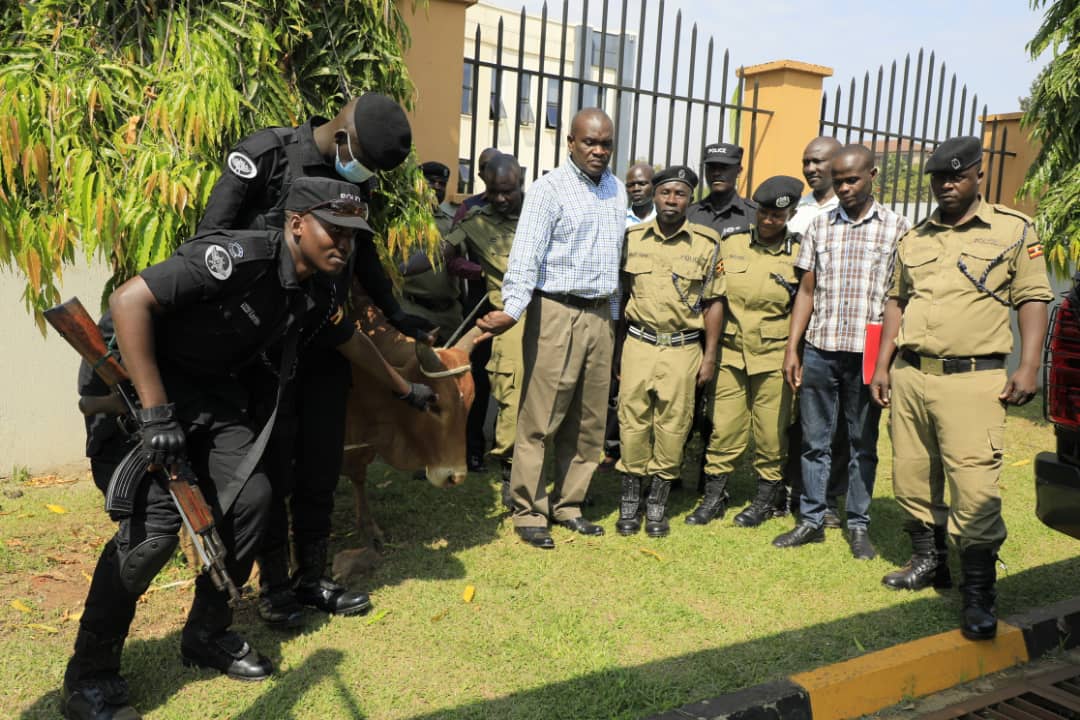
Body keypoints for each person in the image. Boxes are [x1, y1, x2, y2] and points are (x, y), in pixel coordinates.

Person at [60, 178, 435, 720]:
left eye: (353, 238)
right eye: (335, 231)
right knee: (153, 534)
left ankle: (207, 633)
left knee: (254, 502)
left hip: (215, 399)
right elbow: (129, 301)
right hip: (139, 389)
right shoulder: (235, 256)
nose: (344, 245)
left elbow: (348, 338)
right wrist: (157, 411)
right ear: (297, 224)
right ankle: (89, 677)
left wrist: (404, 389)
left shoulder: (318, 288)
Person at [195, 93, 430, 627]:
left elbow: (361, 252)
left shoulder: (358, 173)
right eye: (361, 160)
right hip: (267, 348)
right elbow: (211, 239)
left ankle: (312, 579)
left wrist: (394, 311)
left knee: (321, 464)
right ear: (343, 126)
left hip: (325, 339)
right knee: (273, 469)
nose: (361, 174)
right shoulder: (266, 155)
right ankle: (275, 589)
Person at [870, 136, 1051, 640]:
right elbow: (895, 302)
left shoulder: (1013, 229)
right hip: (910, 374)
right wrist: (883, 365)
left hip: (973, 380)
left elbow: (1034, 297)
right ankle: (929, 562)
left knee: (973, 485)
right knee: (910, 474)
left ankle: (978, 593)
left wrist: (1029, 364)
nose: (946, 185)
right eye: (938, 177)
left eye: (956, 176)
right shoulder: (914, 238)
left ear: (977, 175)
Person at [476, 108, 626, 549]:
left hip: (600, 314)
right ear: (570, 143)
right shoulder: (548, 190)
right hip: (555, 311)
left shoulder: (617, 192)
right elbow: (525, 256)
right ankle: (528, 508)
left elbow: (615, 263)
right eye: (589, 143)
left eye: (605, 144)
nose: (598, 151)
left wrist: (613, 322)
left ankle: (569, 504)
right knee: (541, 416)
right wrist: (514, 309)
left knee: (589, 418)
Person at [774, 144, 910, 559]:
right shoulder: (819, 227)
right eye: (839, 181)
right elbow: (807, 292)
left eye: (852, 179)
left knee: (860, 444)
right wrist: (793, 347)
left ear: (872, 175)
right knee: (814, 442)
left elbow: (898, 299)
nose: (845, 187)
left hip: (867, 354)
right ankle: (812, 519)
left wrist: (885, 361)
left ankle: (858, 524)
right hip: (820, 348)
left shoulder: (898, 229)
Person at [615, 166, 725, 537]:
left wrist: (709, 357)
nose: (671, 200)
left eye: (679, 194)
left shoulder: (707, 244)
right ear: (654, 196)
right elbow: (622, 295)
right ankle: (630, 500)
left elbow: (713, 303)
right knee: (631, 422)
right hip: (639, 342)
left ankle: (657, 504)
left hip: (682, 348)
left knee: (674, 426)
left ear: (689, 199)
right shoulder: (632, 239)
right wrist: (618, 351)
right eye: (665, 193)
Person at [691, 176, 802, 529]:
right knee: (724, 428)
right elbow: (715, 295)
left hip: (774, 355)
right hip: (731, 351)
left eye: (778, 216)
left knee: (771, 432)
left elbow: (805, 304)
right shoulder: (731, 244)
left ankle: (767, 498)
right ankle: (714, 496)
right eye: (765, 213)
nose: (769, 221)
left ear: (791, 215)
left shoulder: (799, 253)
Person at [439, 154, 526, 508]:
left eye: (508, 191)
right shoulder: (474, 219)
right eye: (494, 191)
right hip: (504, 318)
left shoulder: (540, 214)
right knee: (510, 389)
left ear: (520, 183)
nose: (502, 199)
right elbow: (443, 252)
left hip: (548, 314)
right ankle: (509, 472)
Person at [786, 136, 849, 528]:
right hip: (796, 319)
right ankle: (798, 490)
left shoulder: (849, 208)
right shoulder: (800, 209)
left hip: (834, 328)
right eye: (806, 161)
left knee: (837, 423)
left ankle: (828, 498)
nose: (811, 168)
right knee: (801, 419)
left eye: (819, 161)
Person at [601, 162, 657, 472]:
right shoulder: (618, 218)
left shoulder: (662, 219)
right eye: (631, 184)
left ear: (653, 187)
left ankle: (643, 449)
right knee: (614, 381)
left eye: (642, 184)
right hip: (617, 302)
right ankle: (612, 448)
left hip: (647, 305)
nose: (636, 189)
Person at [397, 161, 465, 343]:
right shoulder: (400, 221)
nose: (437, 187)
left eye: (442, 184)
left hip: (450, 316)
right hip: (414, 309)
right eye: (431, 181)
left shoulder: (453, 223)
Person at [625, 162, 657, 227]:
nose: (636, 189)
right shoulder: (620, 219)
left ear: (654, 185)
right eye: (630, 185)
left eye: (642, 184)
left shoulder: (663, 218)